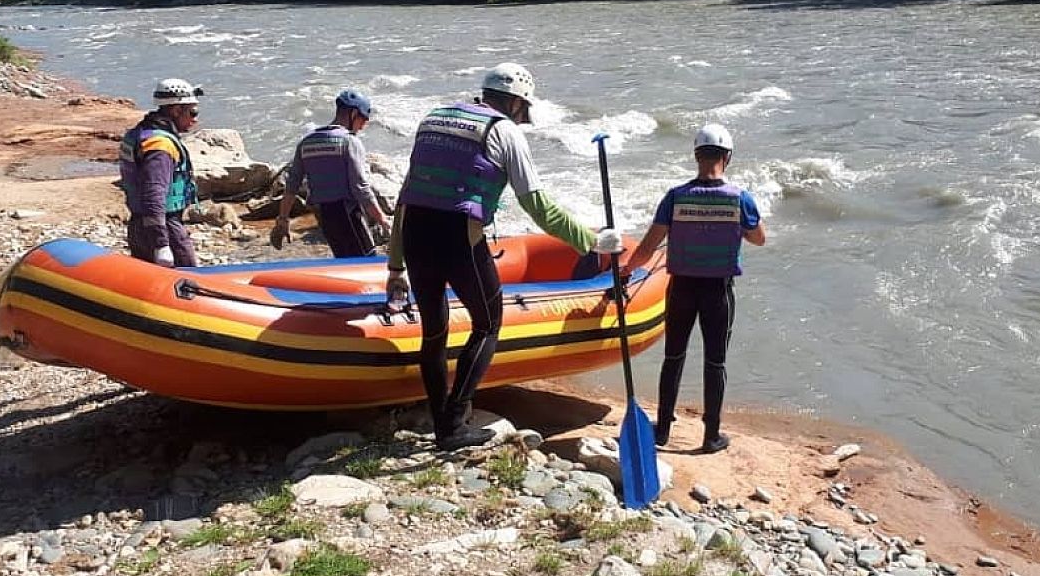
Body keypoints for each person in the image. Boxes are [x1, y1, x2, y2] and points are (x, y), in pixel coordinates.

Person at [386, 63, 606, 450]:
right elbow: (539, 207)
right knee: (487, 325)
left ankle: (442, 424)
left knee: (433, 332)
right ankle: (455, 422)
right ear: (518, 104)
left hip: (416, 233)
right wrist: (590, 242)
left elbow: (407, 193)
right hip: (459, 239)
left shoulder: (434, 119)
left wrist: (395, 265)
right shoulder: (504, 131)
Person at [619, 123, 766, 454]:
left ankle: (662, 431)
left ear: (696, 156)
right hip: (718, 292)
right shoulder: (739, 198)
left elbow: (647, 247)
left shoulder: (675, 197)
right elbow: (759, 238)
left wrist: (627, 270)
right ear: (727, 157)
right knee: (715, 362)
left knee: (673, 356)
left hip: (681, 289)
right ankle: (711, 435)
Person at [270, 89, 390, 257]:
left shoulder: (306, 142)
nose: (364, 125)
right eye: (363, 119)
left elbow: (292, 185)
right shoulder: (349, 142)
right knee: (365, 259)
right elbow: (360, 187)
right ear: (354, 113)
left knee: (342, 258)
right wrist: (382, 219)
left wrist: (283, 219)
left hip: (324, 215)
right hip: (348, 213)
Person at [118, 78, 203, 267]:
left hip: (140, 226)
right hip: (163, 227)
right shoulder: (160, 147)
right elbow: (154, 194)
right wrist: (161, 244)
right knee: (188, 282)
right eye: (192, 112)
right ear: (175, 110)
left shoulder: (142, 132)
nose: (195, 118)